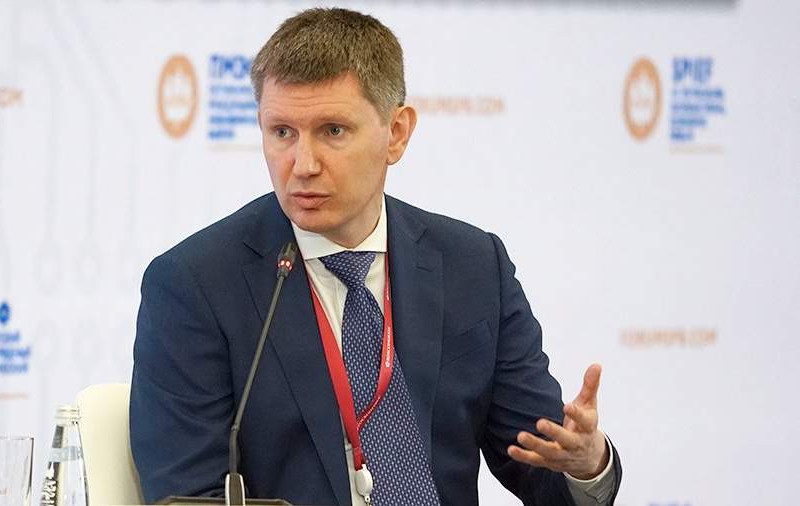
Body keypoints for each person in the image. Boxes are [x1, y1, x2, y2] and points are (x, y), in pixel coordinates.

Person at [130, 7, 621, 506]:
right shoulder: (196, 285)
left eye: (333, 131)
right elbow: (188, 493)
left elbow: (542, 465)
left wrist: (586, 464)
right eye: (282, 132)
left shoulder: (473, 266)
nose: (303, 164)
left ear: (397, 133)